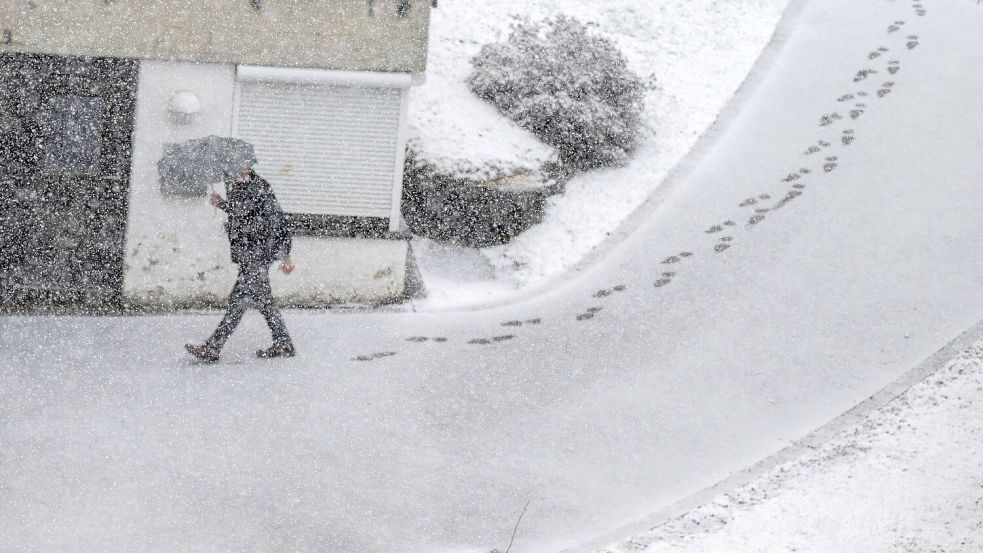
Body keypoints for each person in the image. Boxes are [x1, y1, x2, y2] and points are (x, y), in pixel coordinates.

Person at [185, 166, 296, 362]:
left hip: (258, 254)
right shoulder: (243, 189)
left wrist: (285, 255)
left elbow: (272, 221)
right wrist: (225, 204)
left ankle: (213, 347)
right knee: (264, 302)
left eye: (236, 173)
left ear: (246, 170)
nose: (232, 177)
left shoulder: (257, 188)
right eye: (230, 174)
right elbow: (244, 215)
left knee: (239, 301)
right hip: (251, 255)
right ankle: (283, 342)